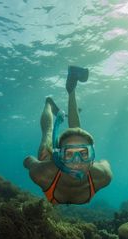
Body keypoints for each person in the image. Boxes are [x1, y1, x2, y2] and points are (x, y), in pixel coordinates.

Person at [23, 66, 112, 204]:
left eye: (83, 154)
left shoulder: (103, 176)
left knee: (75, 136)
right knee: (48, 135)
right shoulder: (42, 174)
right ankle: (49, 103)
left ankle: (71, 90)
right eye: (69, 154)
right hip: (51, 161)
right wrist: (43, 162)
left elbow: (105, 162)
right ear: (59, 156)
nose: (77, 162)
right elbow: (28, 160)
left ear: (92, 156)